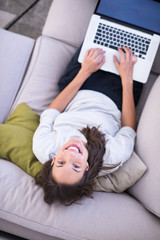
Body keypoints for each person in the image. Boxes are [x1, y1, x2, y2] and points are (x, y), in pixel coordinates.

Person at [33, 46, 143, 206]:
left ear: (53, 160)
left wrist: (85, 71)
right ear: (86, 168)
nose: (70, 155)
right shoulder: (111, 157)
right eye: (76, 166)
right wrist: (127, 78)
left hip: (77, 85)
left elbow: (53, 111)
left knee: (103, 28)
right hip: (116, 92)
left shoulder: (43, 147)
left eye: (61, 163)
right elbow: (128, 129)